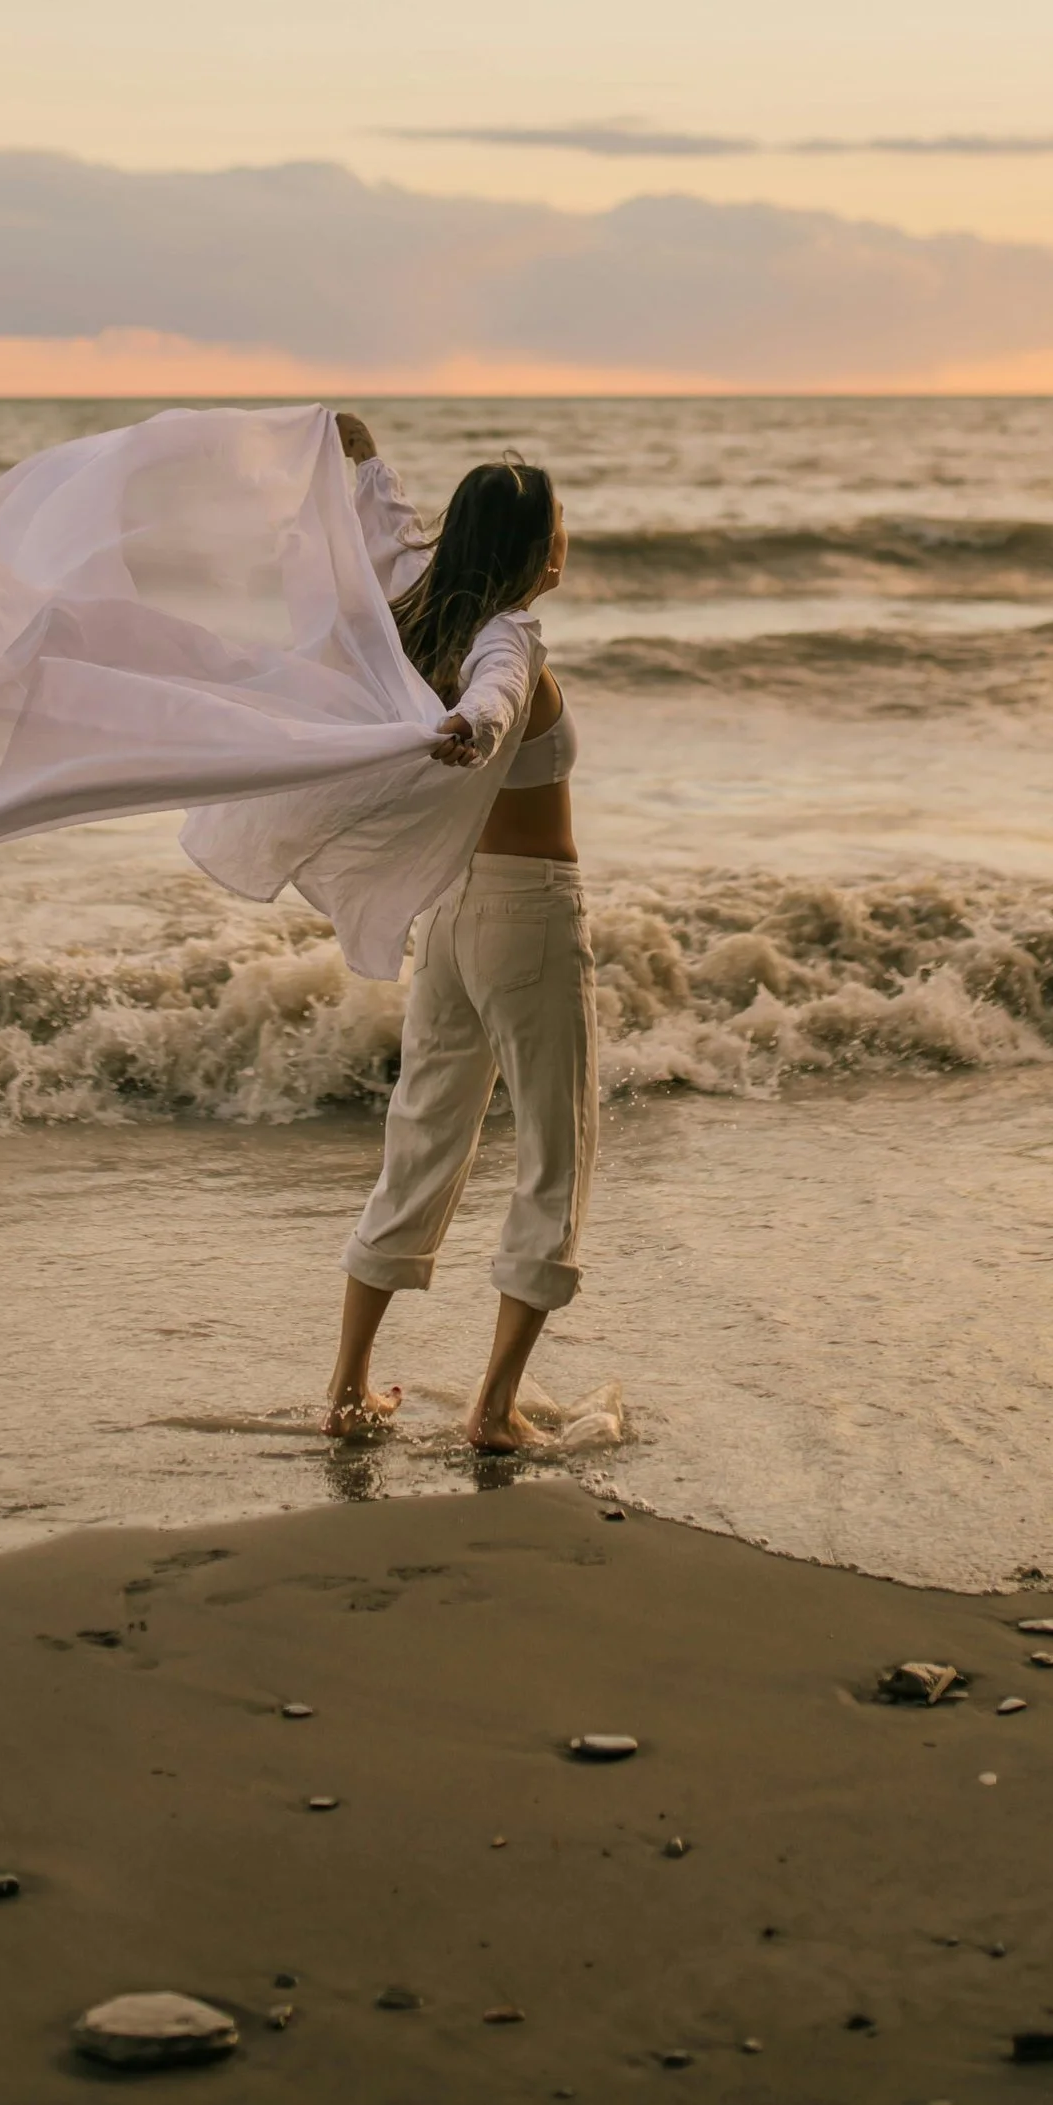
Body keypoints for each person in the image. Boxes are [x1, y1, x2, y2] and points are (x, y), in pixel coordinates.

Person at [323, 414, 594, 1456]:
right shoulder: (507, 636)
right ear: (531, 549)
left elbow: (394, 540)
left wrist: (365, 464)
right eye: (558, 525)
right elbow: (500, 693)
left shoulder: (433, 617)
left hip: (453, 917)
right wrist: (475, 731)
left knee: (422, 1141)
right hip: (528, 918)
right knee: (552, 1161)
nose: (566, 539)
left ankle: (347, 1391)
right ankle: (492, 1410)